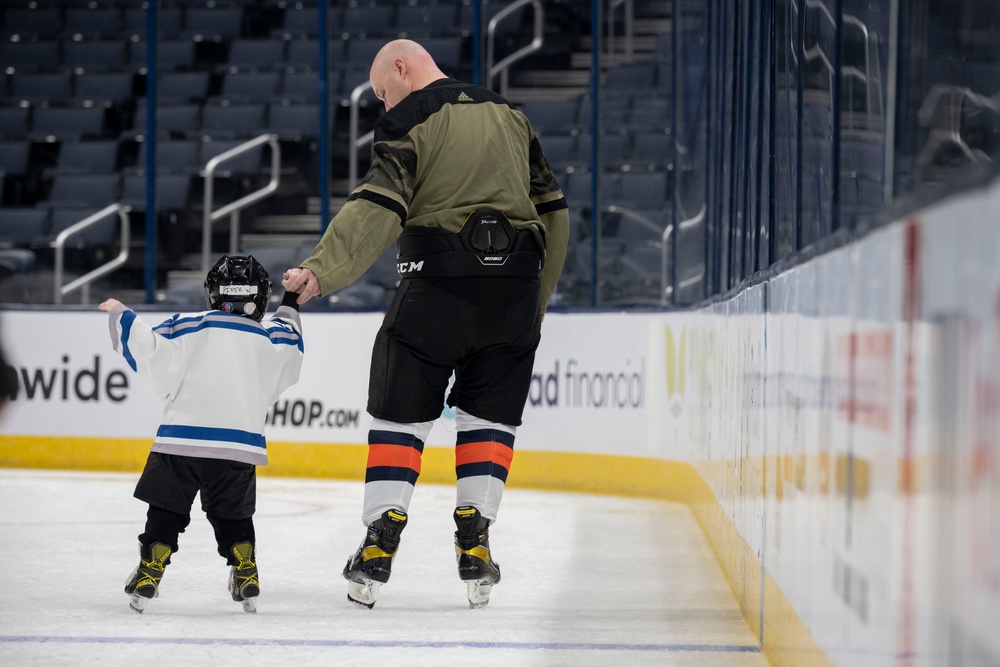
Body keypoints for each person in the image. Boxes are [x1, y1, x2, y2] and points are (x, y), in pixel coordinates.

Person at [282, 39, 570, 609]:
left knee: (400, 405)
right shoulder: (513, 115)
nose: (384, 105)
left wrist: (322, 270)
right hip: (514, 292)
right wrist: (536, 300)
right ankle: (476, 543)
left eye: (384, 92)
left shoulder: (408, 119)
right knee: (490, 416)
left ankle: (378, 546)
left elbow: (379, 205)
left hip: (437, 286)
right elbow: (553, 211)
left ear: (401, 68)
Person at [99, 255, 304, 614]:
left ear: (213, 293)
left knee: (166, 510)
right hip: (239, 448)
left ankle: (150, 570)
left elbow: (151, 351)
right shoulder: (268, 337)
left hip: (181, 442)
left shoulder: (188, 324)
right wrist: (290, 300)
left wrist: (122, 315)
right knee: (233, 515)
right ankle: (244, 569)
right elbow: (291, 342)